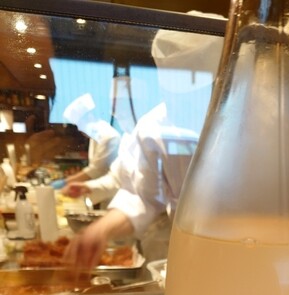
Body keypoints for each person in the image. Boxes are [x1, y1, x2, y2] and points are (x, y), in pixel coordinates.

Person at [64, 12, 224, 271]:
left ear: (218, 84)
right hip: (189, 255)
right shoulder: (154, 127)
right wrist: (100, 231)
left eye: (192, 97)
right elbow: (141, 197)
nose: (181, 109)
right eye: (172, 96)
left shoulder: (258, 119)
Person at [61, 93, 121, 188]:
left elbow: (97, 170)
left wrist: (64, 183)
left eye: (79, 124)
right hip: (98, 189)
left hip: (110, 191)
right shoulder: (95, 137)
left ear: (90, 117)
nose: (79, 129)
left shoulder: (109, 137)